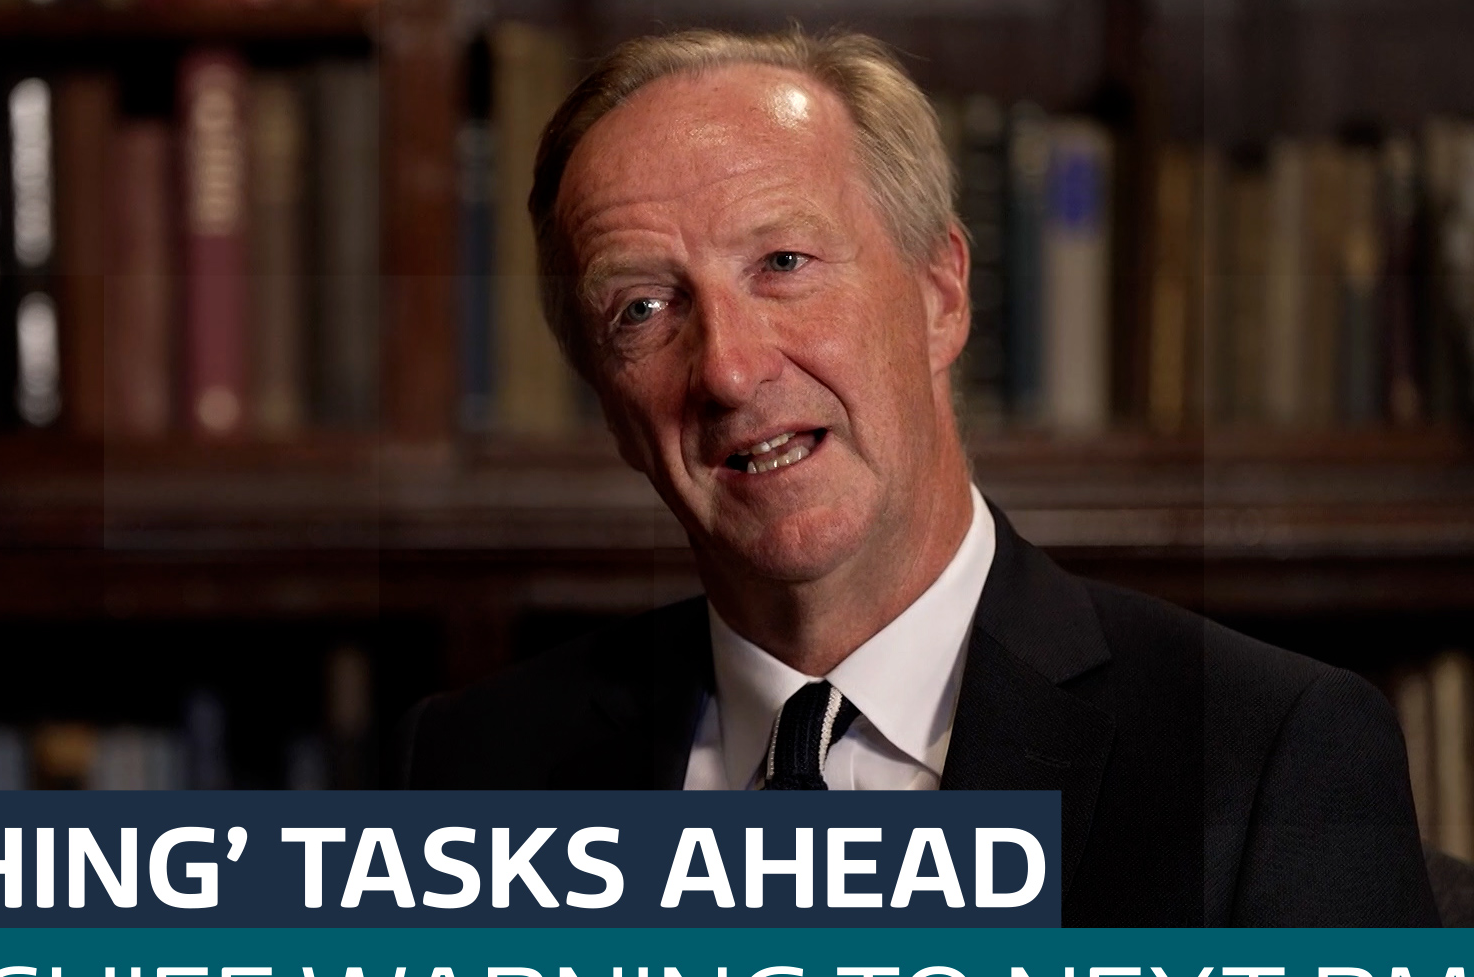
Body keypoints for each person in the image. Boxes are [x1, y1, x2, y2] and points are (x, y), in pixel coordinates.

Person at [405, 27, 1437, 927]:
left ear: (941, 293)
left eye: (783, 264)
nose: (727, 369)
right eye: (642, 310)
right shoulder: (473, 775)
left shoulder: (1265, 757)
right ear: (609, 407)